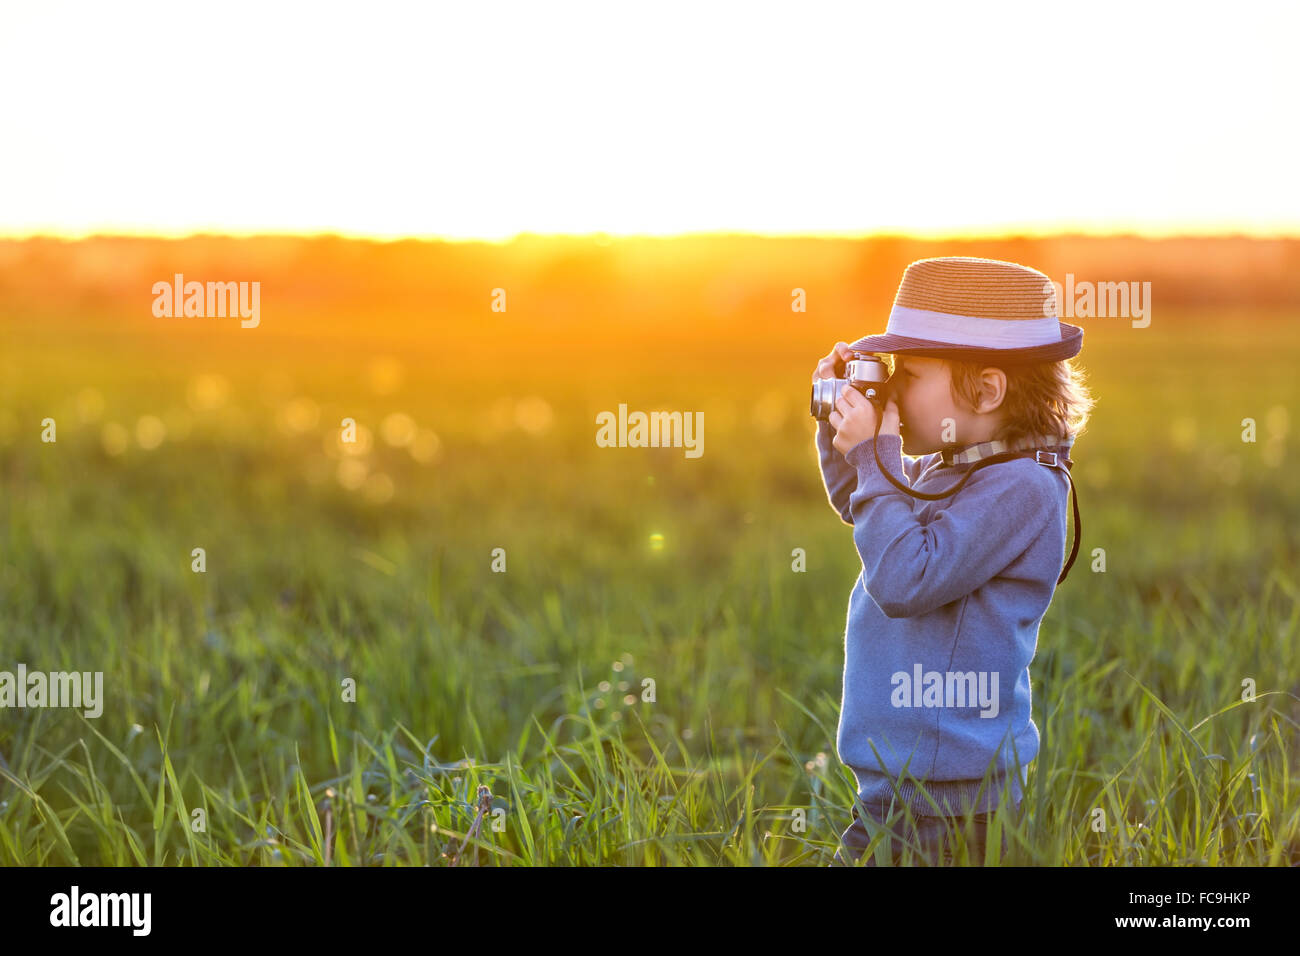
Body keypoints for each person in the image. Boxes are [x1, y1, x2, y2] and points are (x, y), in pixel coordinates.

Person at [813, 256, 1095, 866]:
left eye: (909, 375)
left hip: (947, 800)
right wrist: (841, 427)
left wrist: (872, 456)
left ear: (987, 390)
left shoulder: (1021, 488)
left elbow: (903, 576)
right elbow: (864, 507)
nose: (893, 390)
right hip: (910, 785)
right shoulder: (958, 464)